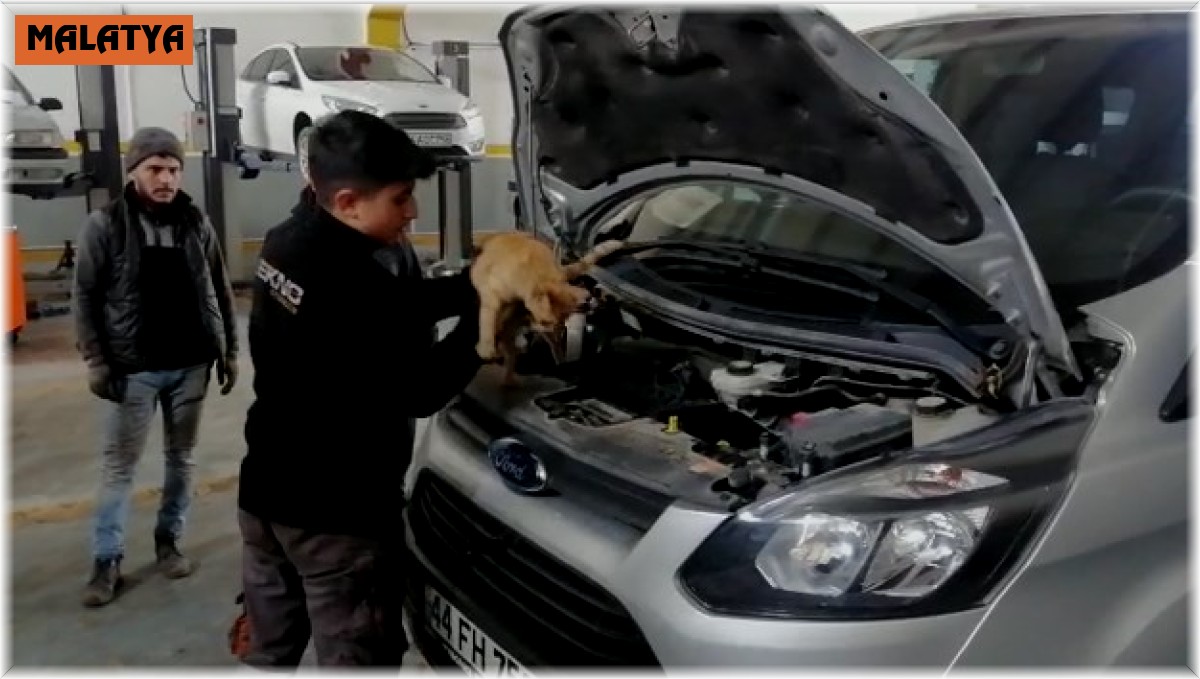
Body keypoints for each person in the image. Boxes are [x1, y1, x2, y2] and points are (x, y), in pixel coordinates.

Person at [236, 110, 482, 667]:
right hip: (336, 518)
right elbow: (420, 390)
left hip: (265, 499)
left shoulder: (286, 242)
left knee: (267, 653)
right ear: (347, 202)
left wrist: (471, 284)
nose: (412, 211)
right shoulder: (353, 285)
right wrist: (481, 327)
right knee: (358, 657)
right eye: (400, 198)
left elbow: (399, 305)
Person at [72, 126, 240, 607]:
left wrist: (227, 351)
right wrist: (97, 362)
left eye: (173, 169)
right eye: (155, 169)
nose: (166, 178)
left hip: (191, 366)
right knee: (119, 468)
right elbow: (83, 297)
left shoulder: (195, 222)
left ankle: (169, 541)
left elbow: (220, 287)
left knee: (181, 460)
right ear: (135, 172)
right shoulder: (104, 226)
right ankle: (107, 562)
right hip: (133, 369)